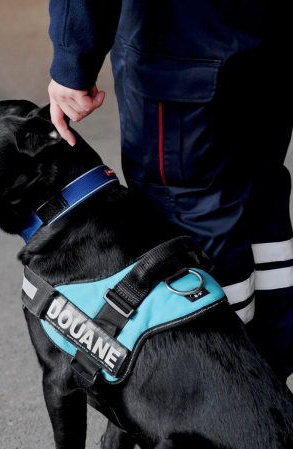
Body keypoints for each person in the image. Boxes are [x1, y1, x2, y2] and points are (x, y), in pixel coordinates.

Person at [47, 0, 293, 384]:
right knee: (262, 198)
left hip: (181, 46)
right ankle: (272, 382)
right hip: (273, 38)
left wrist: (72, 58)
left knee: (190, 211)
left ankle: (228, 393)